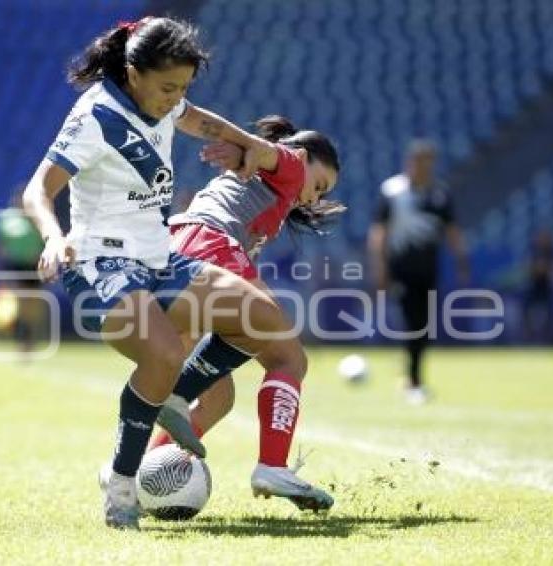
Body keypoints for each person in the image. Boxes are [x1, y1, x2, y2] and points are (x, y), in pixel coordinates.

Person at [23, 17, 298, 529]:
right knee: (165, 353)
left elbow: (205, 122)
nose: (176, 100)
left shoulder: (166, 103)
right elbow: (38, 189)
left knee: (263, 320)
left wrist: (252, 149)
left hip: (159, 261)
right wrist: (52, 237)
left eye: (184, 89)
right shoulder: (96, 117)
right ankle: (122, 488)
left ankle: (172, 397)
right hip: (100, 266)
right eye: (169, 88)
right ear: (133, 73)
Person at [147, 115, 342, 512]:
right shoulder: (289, 164)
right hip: (210, 243)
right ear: (303, 157)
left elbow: (257, 154)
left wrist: (240, 150)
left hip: (172, 247)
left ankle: (137, 471)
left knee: (219, 399)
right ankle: (271, 465)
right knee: (288, 354)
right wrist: (236, 140)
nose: (315, 198)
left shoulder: (262, 178)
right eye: (319, 184)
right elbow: (268, 151)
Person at [367, 140, 468, 404]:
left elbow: (452, 231)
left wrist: (461, 261)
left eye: (427, 161)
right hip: (401, 269)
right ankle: (414, 380)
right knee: (414, 321)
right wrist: (380, 266)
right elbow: (379, 232)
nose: (422, 166)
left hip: (428, 269)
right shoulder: (393, 192)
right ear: (409, 162)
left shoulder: (440, 194)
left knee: (424, 324)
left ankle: (412, 375)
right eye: (418, 160)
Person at [0, 188, 46, 352]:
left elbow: (44, 241)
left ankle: (27, 336)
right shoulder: (6, 218)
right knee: (20, 303)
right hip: (15, 266)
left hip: (34, 267)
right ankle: (22, 338)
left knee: (31, 305)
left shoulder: (37, 217)